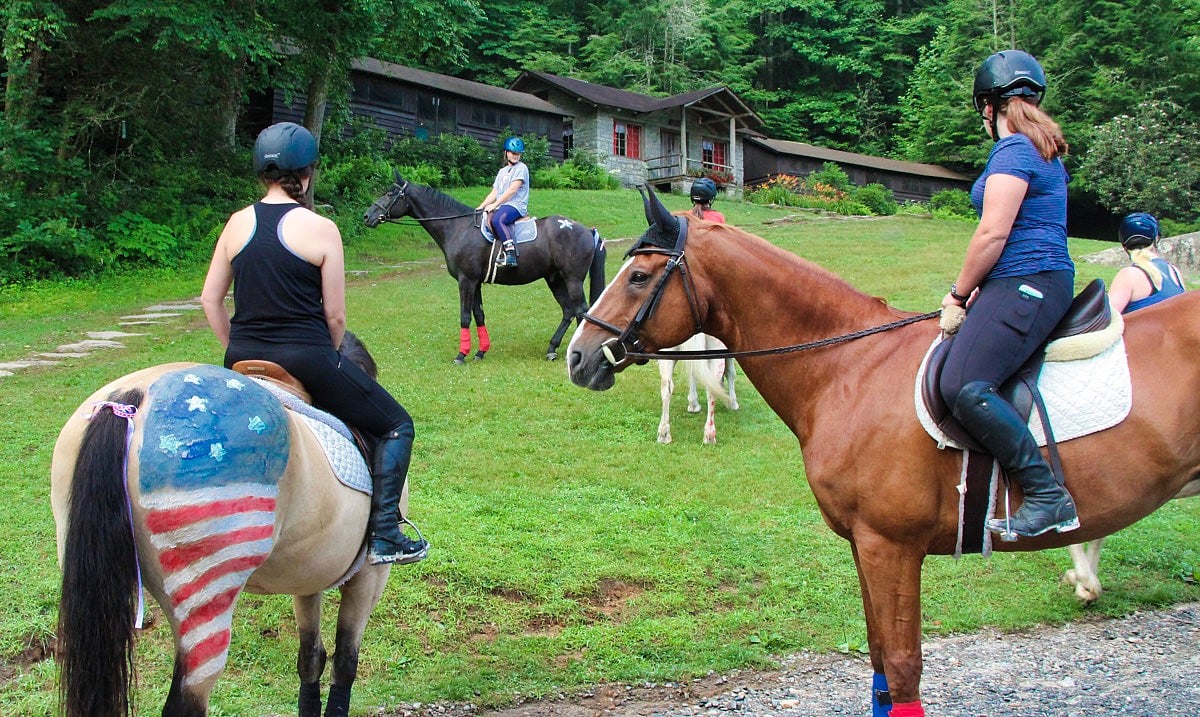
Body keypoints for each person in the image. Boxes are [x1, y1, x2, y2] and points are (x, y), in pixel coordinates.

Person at [200, 121, 428, 565]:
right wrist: (330, 356)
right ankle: (385, 533)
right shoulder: (321, 228)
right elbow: (335, 316)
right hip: (306, 357)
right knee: (398, 424)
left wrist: (238, 347)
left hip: (240, 356)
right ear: (306, 174)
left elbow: (210, 300)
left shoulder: (235, 224)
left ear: (261, 175)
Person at [938, 50, 1079, 540]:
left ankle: (1045, 494)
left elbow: (992, 234)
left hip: (1029, 279)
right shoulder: (1039, 150)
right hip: (1029, 279)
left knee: (963, 384)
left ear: (988, 106)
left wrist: (958, 294)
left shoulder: (1014, 151)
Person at [1108, 212, 1185, 314]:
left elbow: (1105, 320)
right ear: (1156, 239)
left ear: (1124, 245)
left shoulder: (1129, 275)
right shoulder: (1174, 272)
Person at [477, 136, 530, 267]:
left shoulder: (521, 168)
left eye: (518, 153)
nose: (515, 156)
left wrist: (495, 205)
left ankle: (511, 255)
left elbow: (512, 190)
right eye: (513, 153)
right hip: (503, 205)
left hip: (516, 205)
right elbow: (494, 192)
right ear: (506, 153)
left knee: (497, 220)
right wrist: (481, 207)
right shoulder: (502, 171)